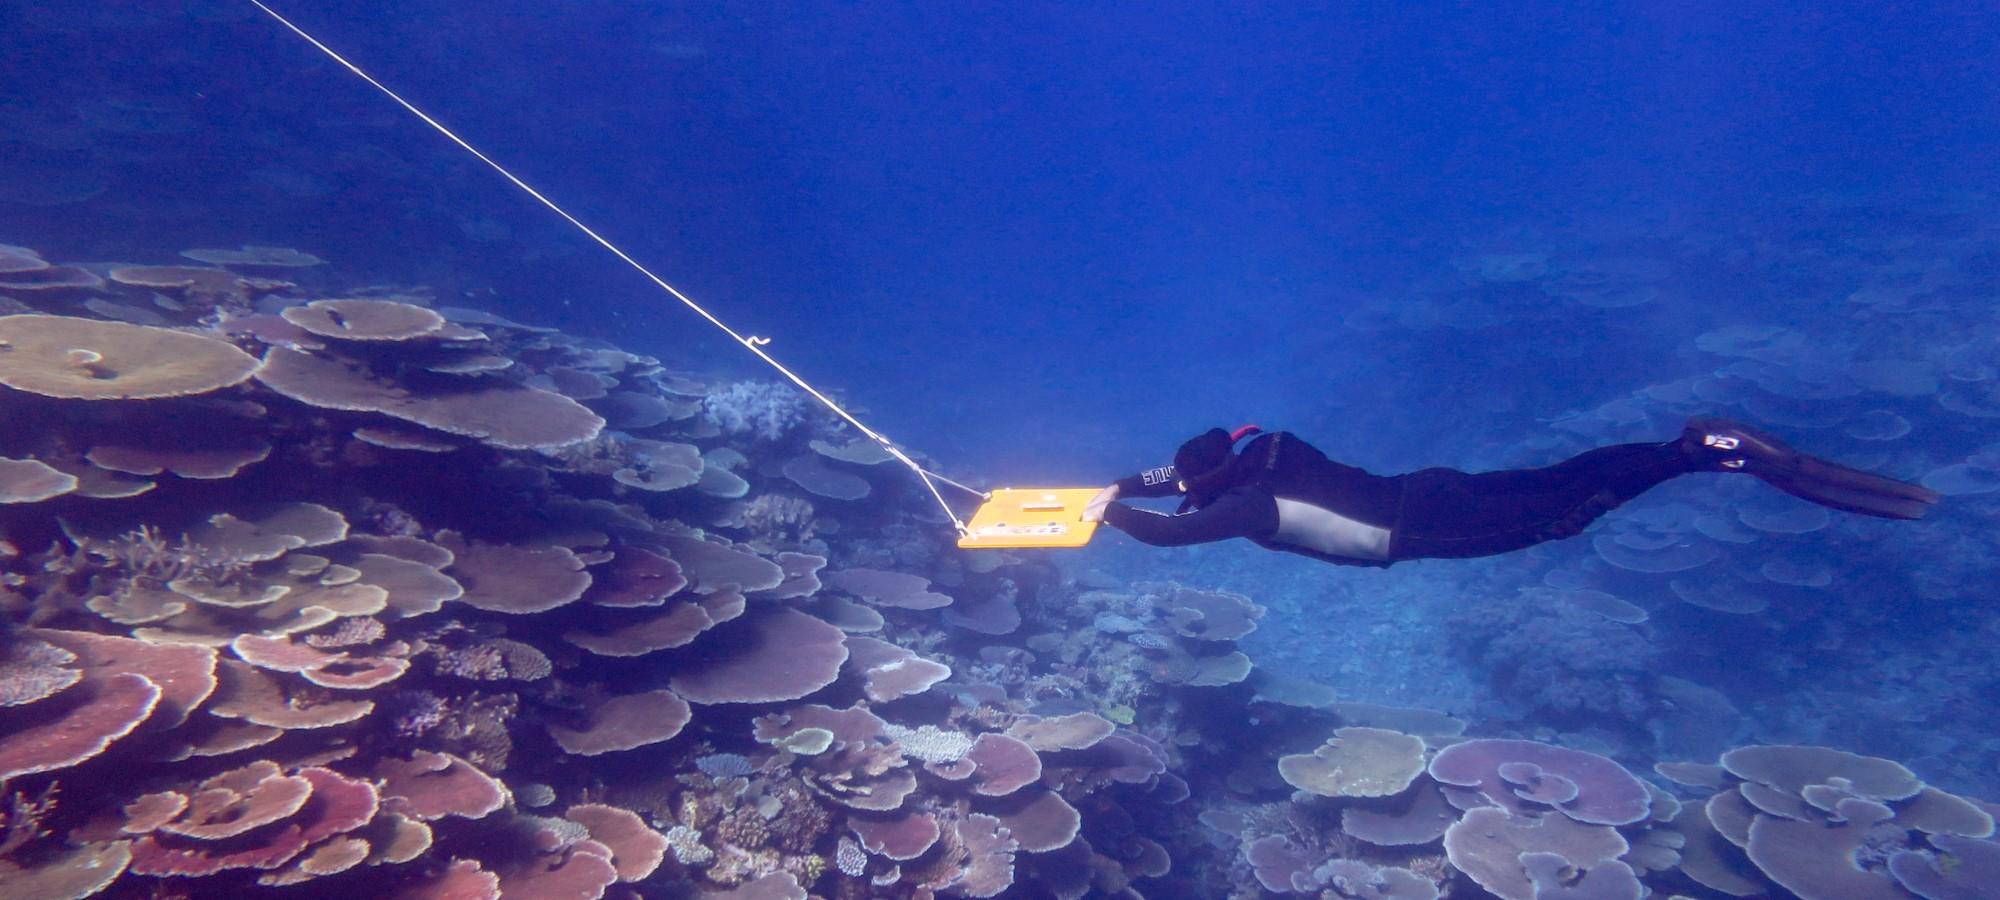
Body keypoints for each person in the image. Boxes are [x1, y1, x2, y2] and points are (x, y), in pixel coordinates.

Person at [1080, 419, 1938, 567]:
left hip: (1423, 532)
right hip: (1430, 487)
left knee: (1561, 516)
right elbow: (1172, 478)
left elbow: (1162, 534)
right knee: (1558, 480)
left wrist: (1098, 512)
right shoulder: (1263, 456)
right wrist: (1113, 484)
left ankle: (1699, 456)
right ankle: (1689, 445)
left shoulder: (1245, 512)